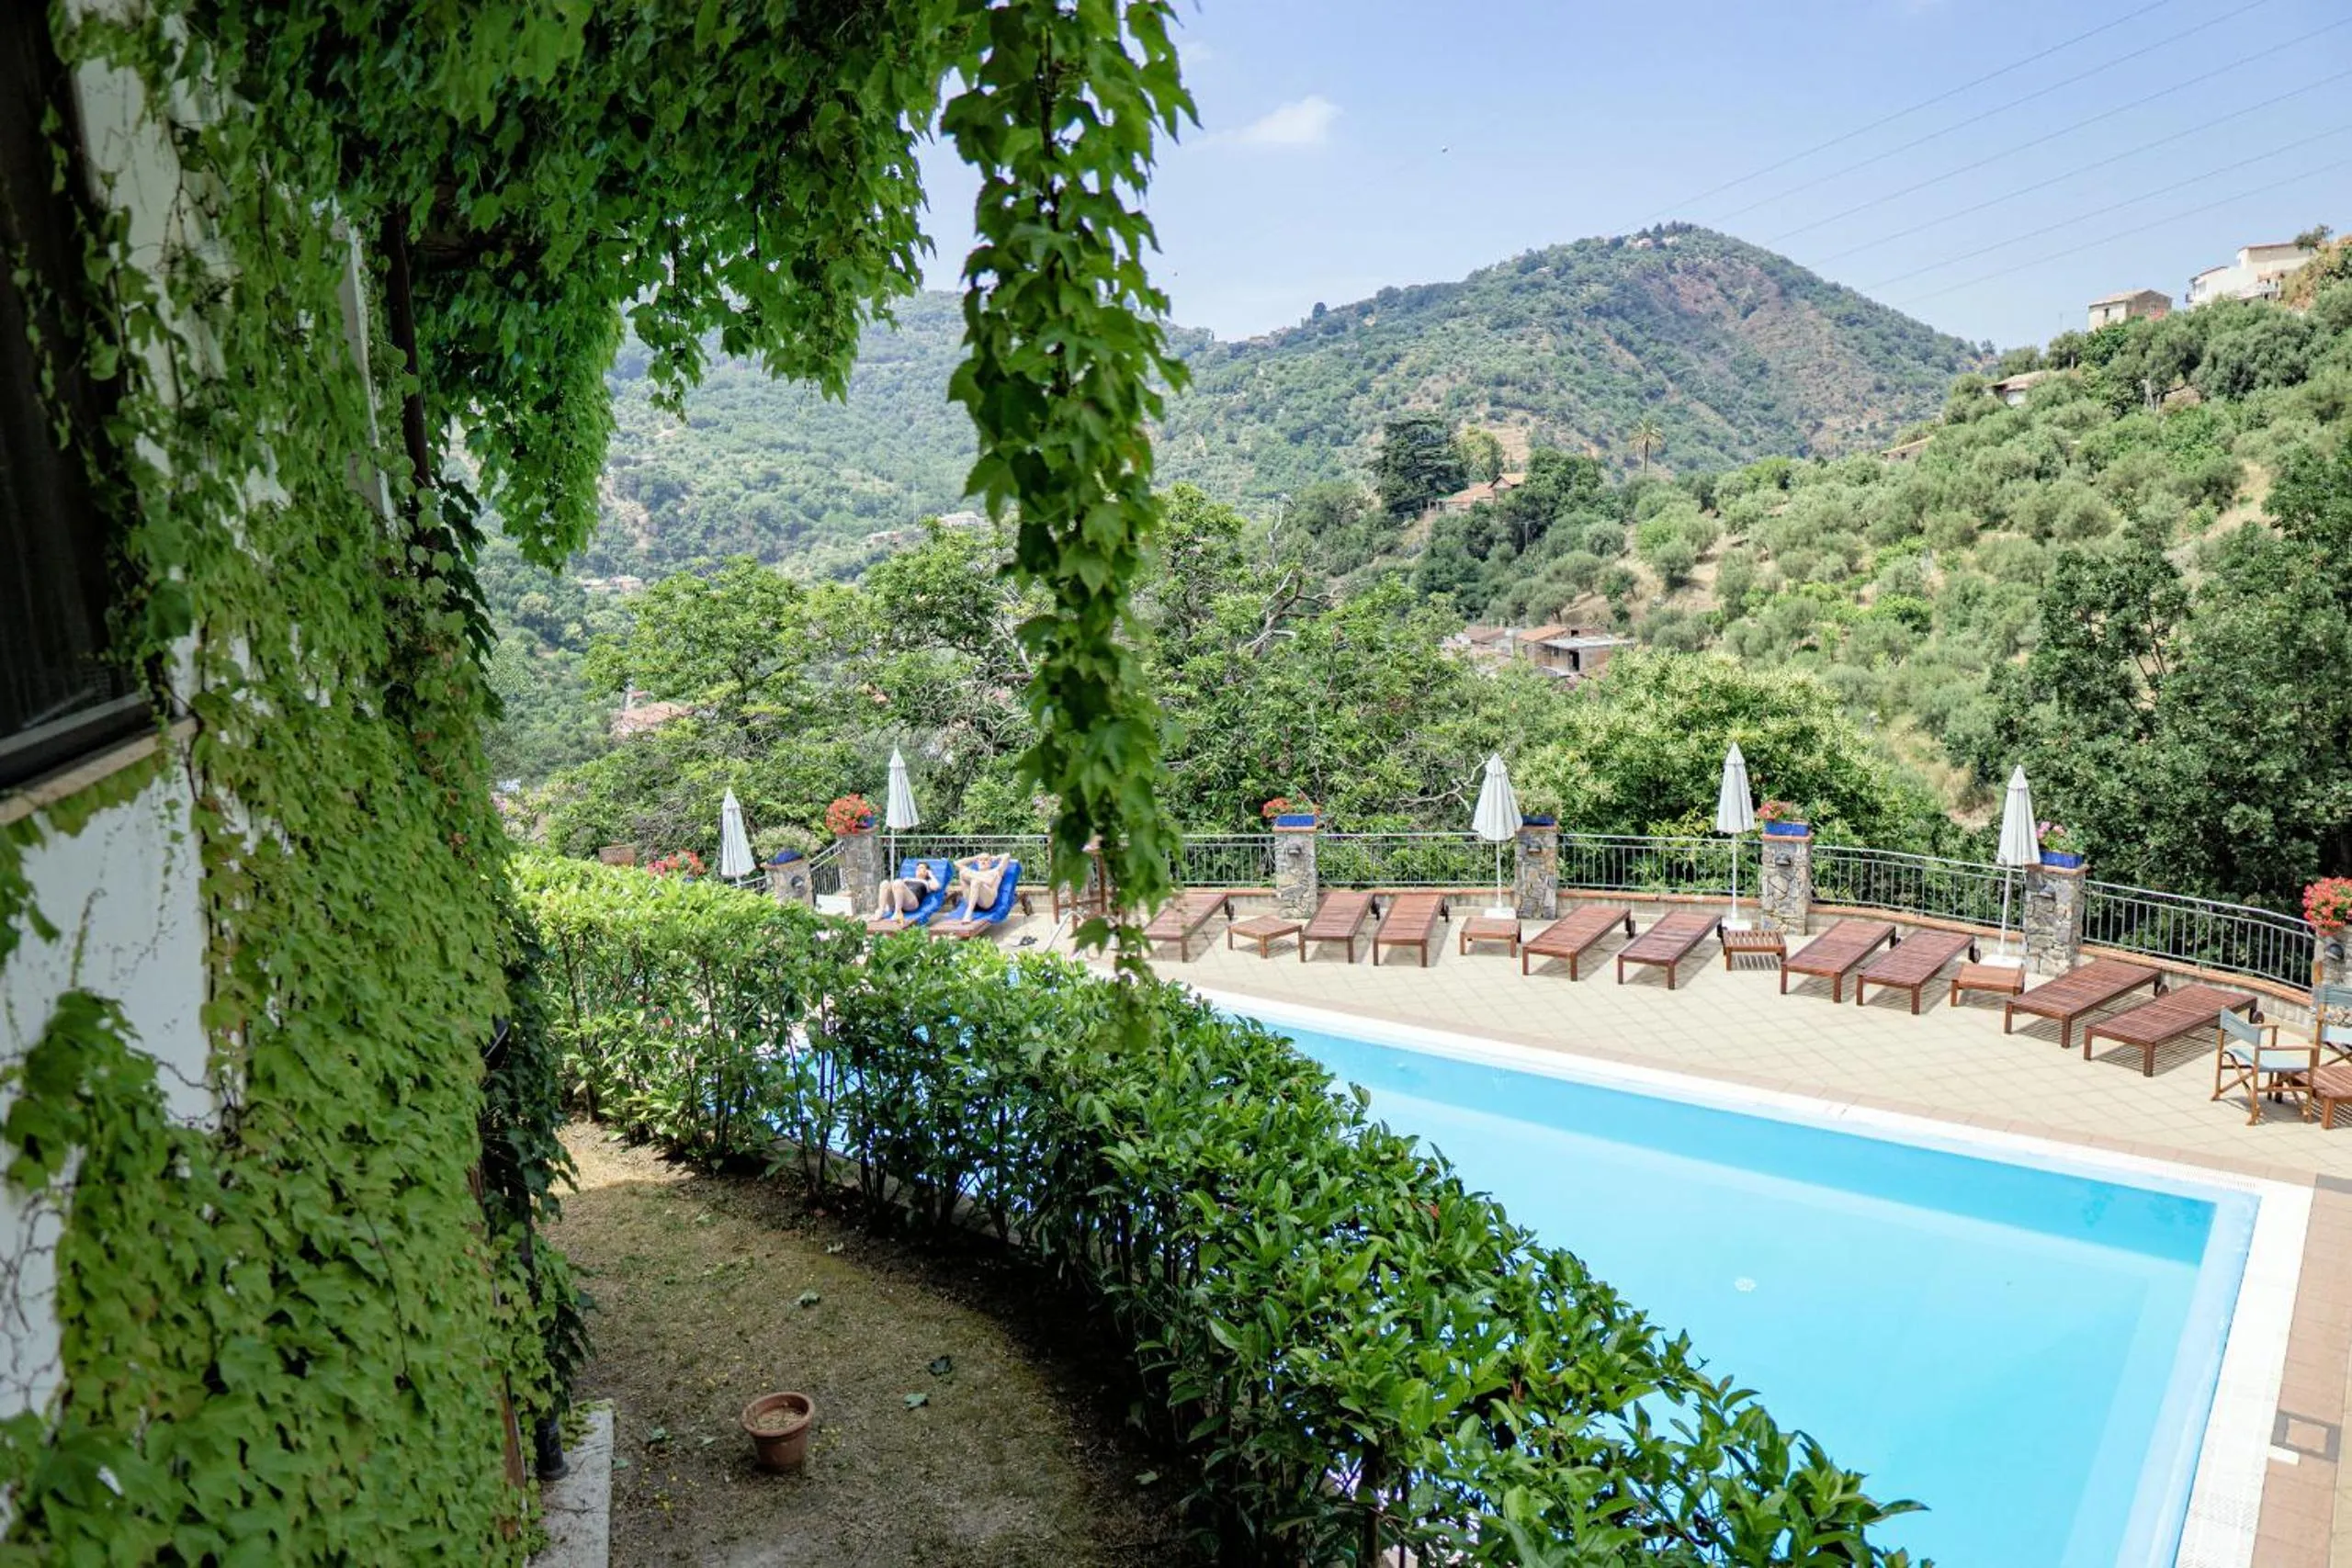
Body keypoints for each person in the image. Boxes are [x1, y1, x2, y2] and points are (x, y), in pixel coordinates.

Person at [949, 852, 1008, 922]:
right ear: (977, 862)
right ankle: (984, 880)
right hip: (971, 898)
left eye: (986, 860)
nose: (983, 862)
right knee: (962, 873)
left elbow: (1007, 856)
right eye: (980, 860)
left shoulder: (996, 871)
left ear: (991, 862)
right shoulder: (973, 872)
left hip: (986, 902)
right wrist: (974, 858)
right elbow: (957, 863)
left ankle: (968, 913)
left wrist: (997, 857)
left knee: (975, 881)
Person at [875, 860, 940, 921]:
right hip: (897, 902)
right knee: (885, 883)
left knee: (898, 882)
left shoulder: (927, 882)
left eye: (921, 868)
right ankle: (881, 910)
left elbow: (937, 886)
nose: (918, 869)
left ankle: (898, 912)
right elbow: (894, 887)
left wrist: (931, 874)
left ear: (927, 871)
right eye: (917, 868)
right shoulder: (907, 878)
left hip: (911, 903)